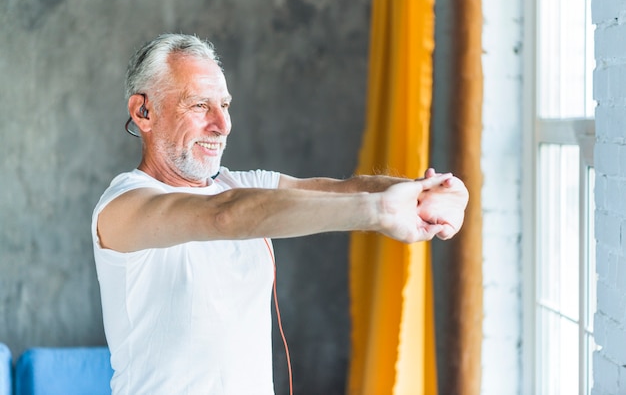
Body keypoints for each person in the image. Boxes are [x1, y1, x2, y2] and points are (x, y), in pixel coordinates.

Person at [91, 33, 469, 395]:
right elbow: (223, 216)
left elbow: (343, 189)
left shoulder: (238, 184)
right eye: (199, 105)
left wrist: (424, 193)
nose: (222, 126)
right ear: (143, 111)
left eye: (224, 105)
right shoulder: (124, 206)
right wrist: (378, 212)